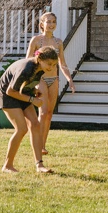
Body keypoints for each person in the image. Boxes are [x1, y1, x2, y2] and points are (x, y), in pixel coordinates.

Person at [0, 46, 58, 173]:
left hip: (20, 93)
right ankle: (7, 166)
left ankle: (39, 166)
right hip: (7, 95)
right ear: (40, 58)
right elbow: (11, 90)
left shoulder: (40, 68)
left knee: (35, 125)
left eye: (54, 65)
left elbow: (25, 84)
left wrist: (34, 91)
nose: (51, 67)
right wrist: (32, 100)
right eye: (49, 64)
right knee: (21, 129)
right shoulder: (27, 68)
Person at [26, 12, 76, 155]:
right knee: (42, 112)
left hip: (53, 79)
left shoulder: (58, 42)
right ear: (42, 24)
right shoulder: (36, 40)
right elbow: (28, 60)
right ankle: (38, 145)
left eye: (54, 21)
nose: (51, 24)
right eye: (48, 21)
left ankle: (43, 145)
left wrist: (69, 79)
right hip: (40, 78)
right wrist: (29, 79)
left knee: (49, 114)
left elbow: (63, 64)